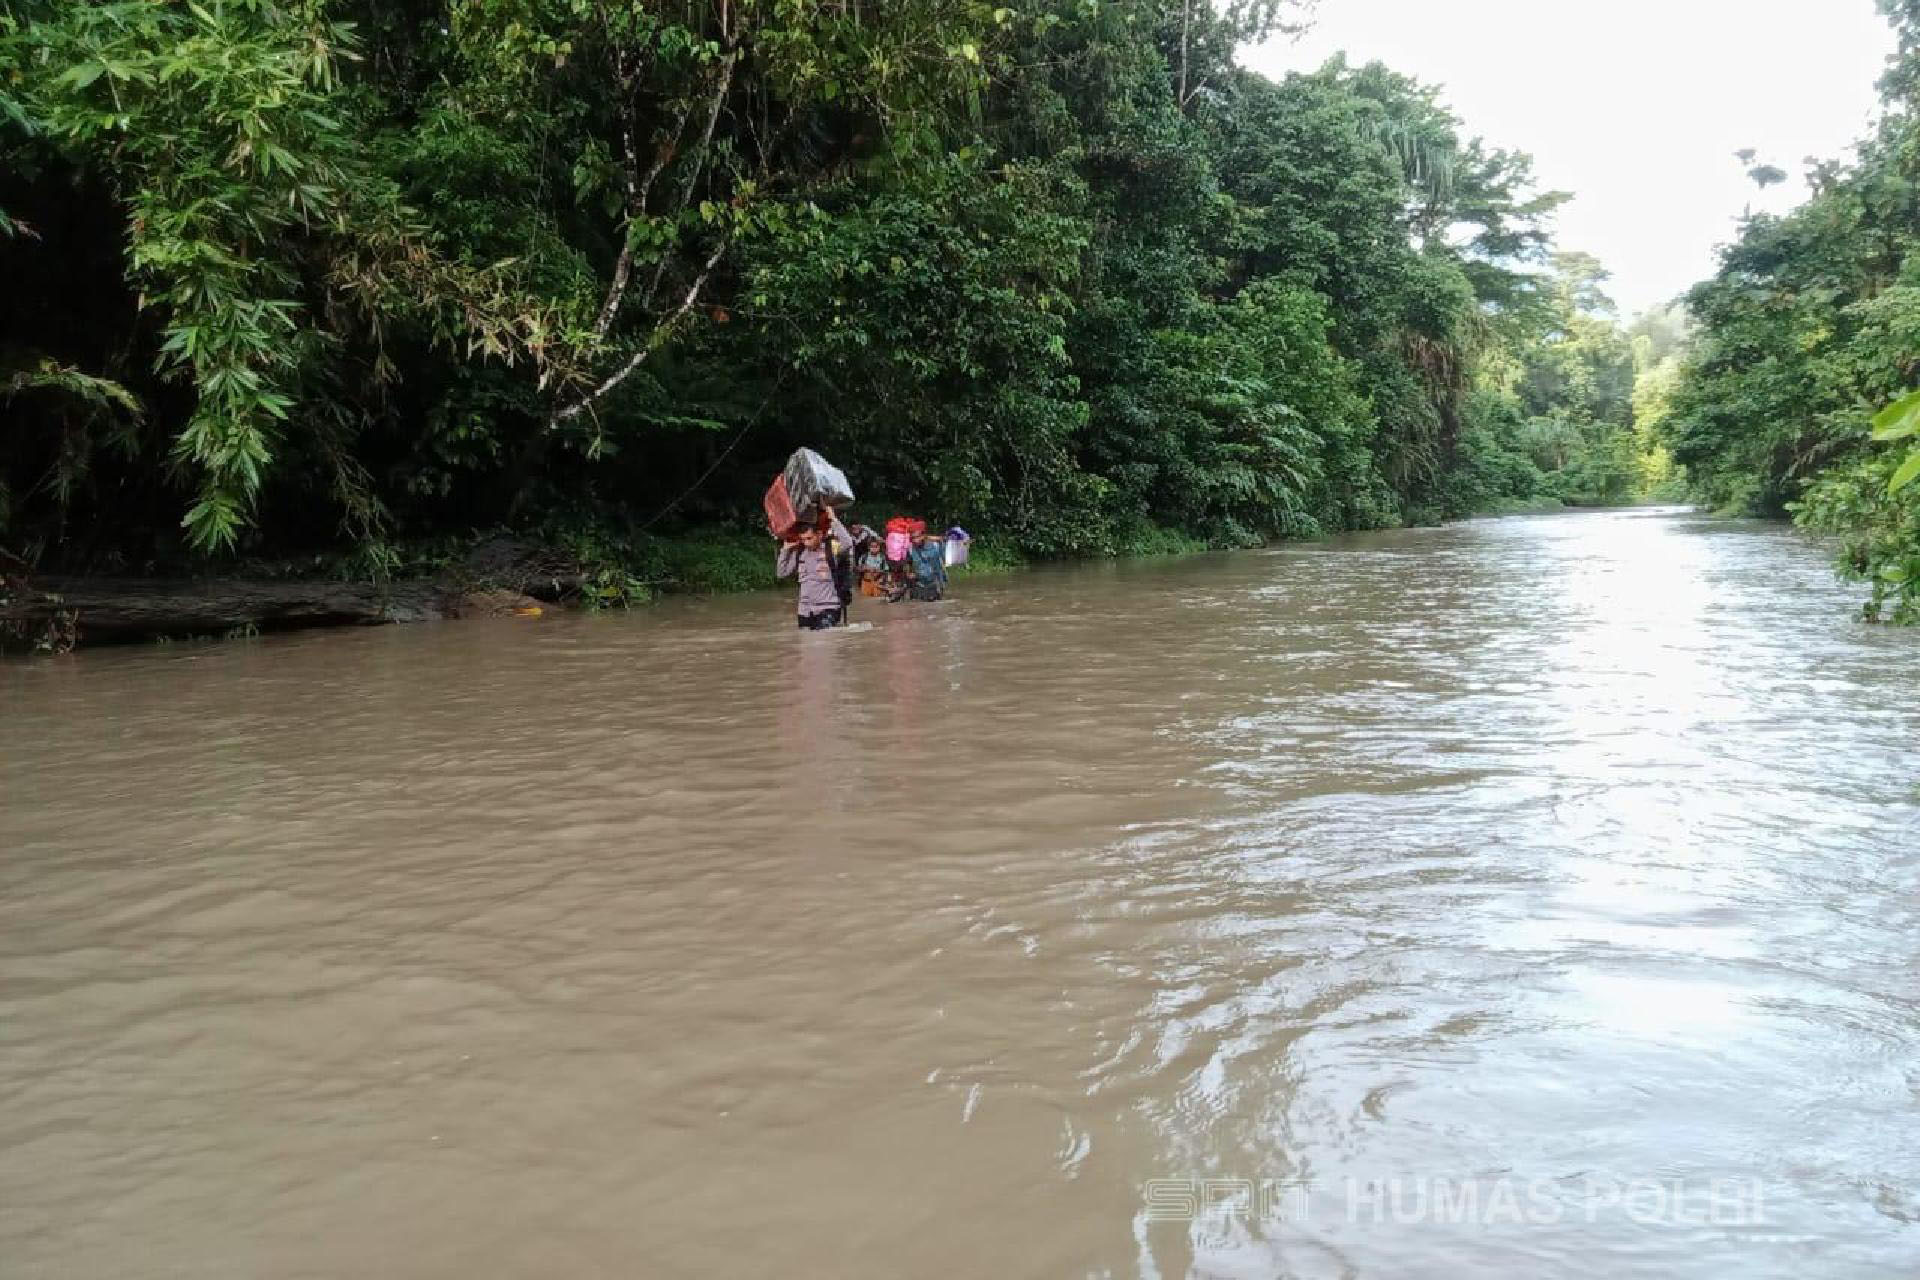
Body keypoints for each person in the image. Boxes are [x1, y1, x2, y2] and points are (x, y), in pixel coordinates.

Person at [776, 506, 855, 629]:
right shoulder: (799, 553)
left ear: (819, 534)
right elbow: (781, 573)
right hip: (805, 610)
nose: (806, 543)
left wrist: (833, 519)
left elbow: (848, 543)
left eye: (809, 538)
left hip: (828, 608)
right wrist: (785, 549)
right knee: (806, 643)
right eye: (803, 539)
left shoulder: (830, 548)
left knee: (824, 643)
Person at [905, 528, 948, 602]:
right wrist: (909, 573)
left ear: (923, 536)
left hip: (935, 582)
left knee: (935, 603)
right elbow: (909, 563)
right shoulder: (910, 549)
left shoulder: (935, 545)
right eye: (913, 538)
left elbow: (947, 543)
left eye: (917, 537)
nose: (915, 540)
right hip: (919, 582)